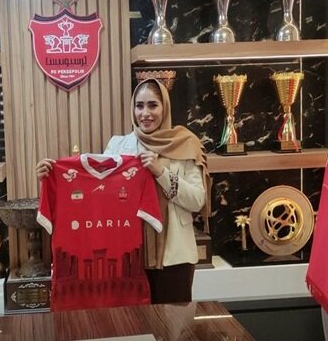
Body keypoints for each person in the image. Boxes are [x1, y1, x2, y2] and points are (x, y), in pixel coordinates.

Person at [36, 78, 210, 304]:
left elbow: (197, 200)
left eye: (153, 105)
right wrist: (53, 176)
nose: (145, 113)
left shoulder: (186, 143)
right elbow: (99, 194)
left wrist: (161, 173)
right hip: (127, 258)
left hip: (174, 257)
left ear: (165, 107)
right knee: (132, 322)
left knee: (173, 322)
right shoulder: (118, 146)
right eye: (139, 106)